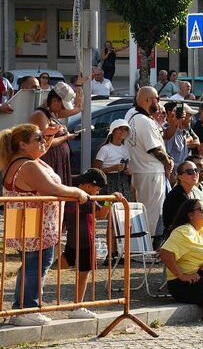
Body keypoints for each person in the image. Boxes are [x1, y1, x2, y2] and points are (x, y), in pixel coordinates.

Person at [1, 123, 89, 325]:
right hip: (34, 220)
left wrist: (47, 136)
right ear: (23, 144)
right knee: (37, 264)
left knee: (32, 264)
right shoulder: (28, 165)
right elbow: (51, 188)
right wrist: (78, 192)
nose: (43, 142)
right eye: (38, 138)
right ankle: (27, 308)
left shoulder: (20, 160)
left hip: (26, 219)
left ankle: (23, 307)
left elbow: (42, 152)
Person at [61, 169, 121, 318]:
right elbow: (101, 215)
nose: (98, 193)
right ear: (88, 186)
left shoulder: (70, 195)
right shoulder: (84, 198)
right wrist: (109, 200)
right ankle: (77, 306)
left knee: (62, 264)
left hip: (71, 239)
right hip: (85, 241)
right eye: (98, 190)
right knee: (83, 274)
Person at [126, 87, 174, 239]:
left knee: (143, 213)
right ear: (147, 100)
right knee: (151, 214)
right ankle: (144, 250)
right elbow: (154, 149)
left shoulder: (133, 117)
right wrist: (168, 163)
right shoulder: (143, 121)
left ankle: (140, 248)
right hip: (150, 172)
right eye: (157, 99)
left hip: (141, 171)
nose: (158, 102)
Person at [31, 82, 81, 186]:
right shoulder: (40, 115)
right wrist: (65, 137)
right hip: (50, 161)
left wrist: (79, 85)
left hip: (57, 161)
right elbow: (44, 142)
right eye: (63, 105)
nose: (63, 109)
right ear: (54, 100)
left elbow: (78, 108)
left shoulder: (52, 112)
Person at [93, 118, 132, 198]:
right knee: (108, 206)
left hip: (123, 183)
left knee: (123, 207)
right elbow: (95, 170)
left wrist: (128, 171)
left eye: (125, 129)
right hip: (107, 183)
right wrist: (111, 169)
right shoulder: (105, 149)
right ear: (113, 131)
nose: (123, 131)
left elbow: (128, 166)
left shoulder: (125, 149)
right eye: (120, 129)